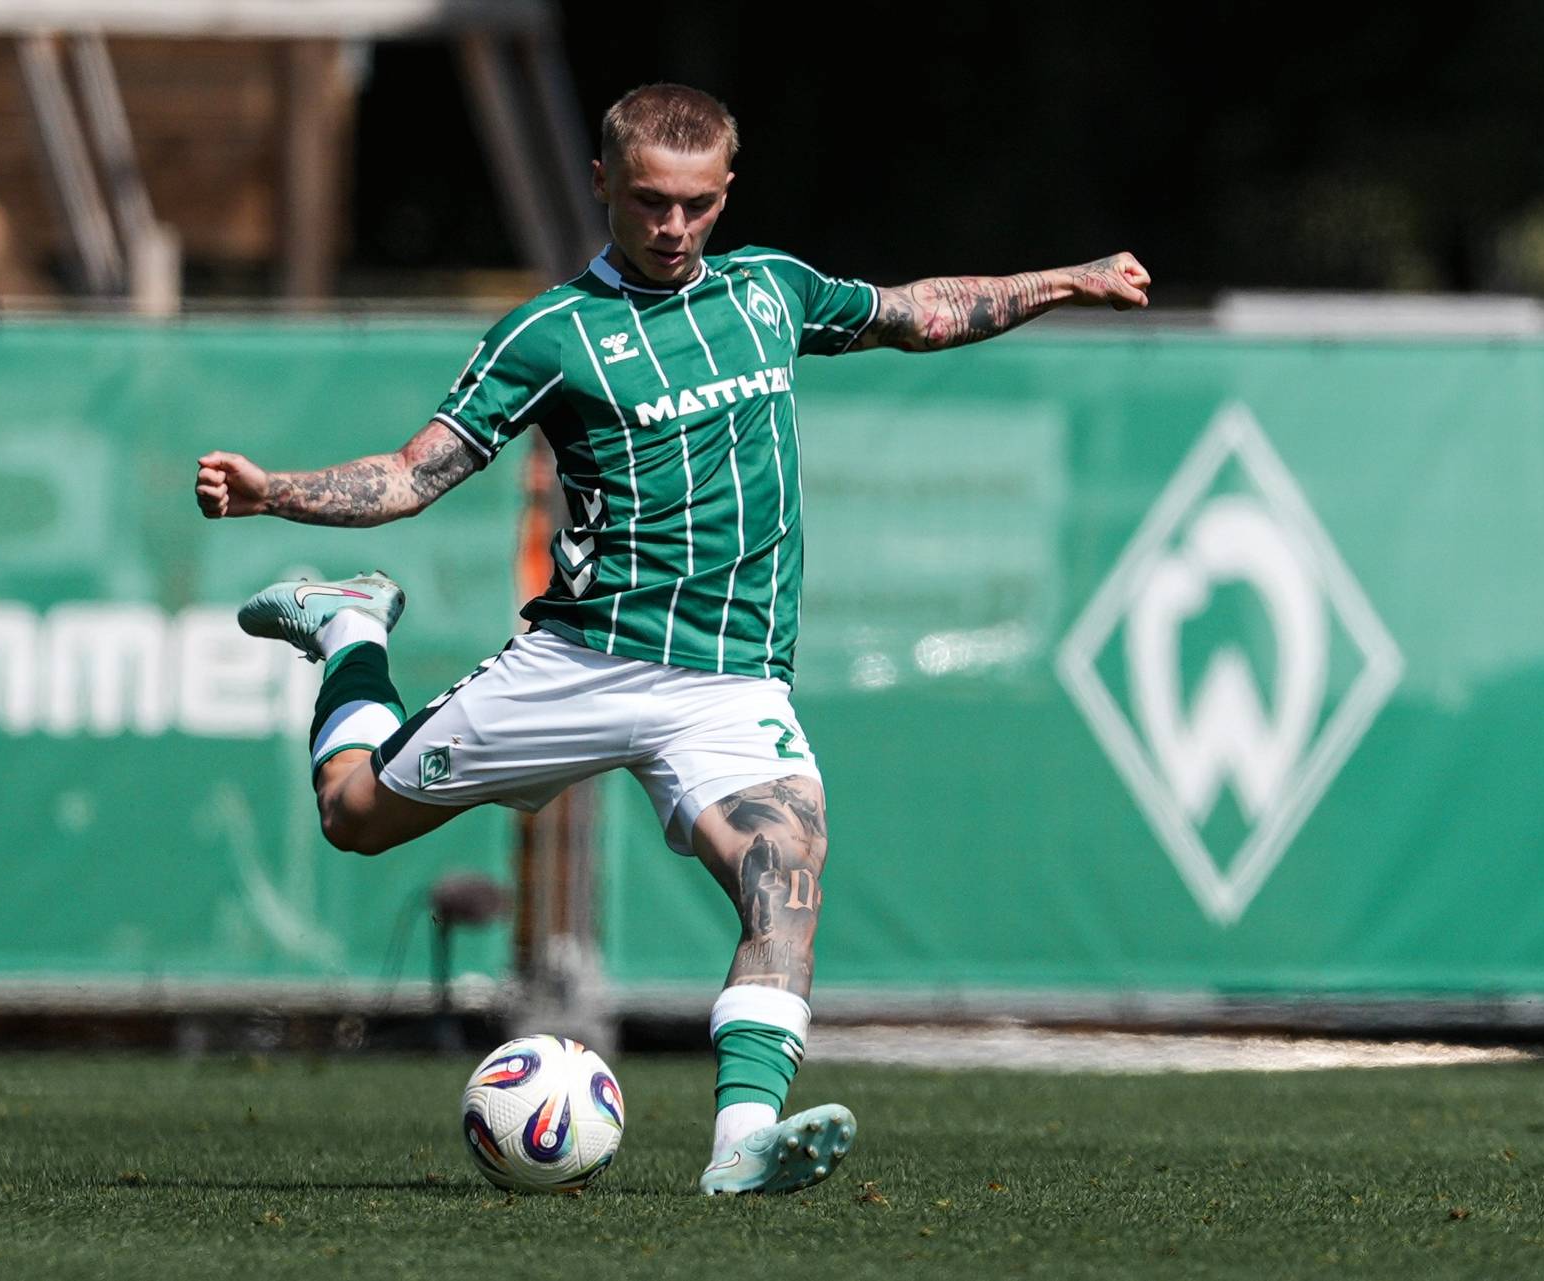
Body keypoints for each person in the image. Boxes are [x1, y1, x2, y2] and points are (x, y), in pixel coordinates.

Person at [196, 83, 1150, 1193]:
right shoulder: (548, 334)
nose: (671, 226)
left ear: (726, 193)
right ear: (603, 183)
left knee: (784, 875)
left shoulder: (770, 293)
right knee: (354, 817)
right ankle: (351, 626)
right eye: (648, 201)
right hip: (582, 664)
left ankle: (742, 1143)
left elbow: (917, 312)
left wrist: (1064, 280)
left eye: (696, 205)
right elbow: (415, 473)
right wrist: (277, 493)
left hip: (730, 684)